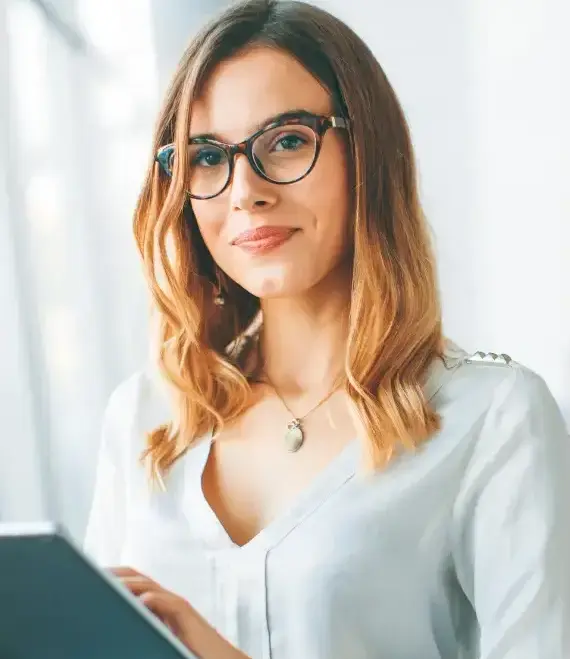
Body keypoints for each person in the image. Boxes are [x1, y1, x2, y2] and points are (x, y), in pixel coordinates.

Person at [84, 0, 570, 657]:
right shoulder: (143, 417)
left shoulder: (494, 419)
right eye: (206, 157)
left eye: (286, 141)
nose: (244, 190)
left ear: (366, 150)